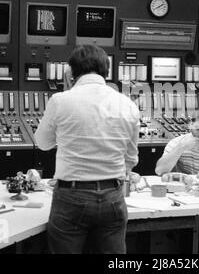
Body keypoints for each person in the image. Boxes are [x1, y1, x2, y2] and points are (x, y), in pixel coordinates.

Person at [35, 44, 140, 254]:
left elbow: (42, 143)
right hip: (113, 196)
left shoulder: (60, 101)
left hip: (71, 196)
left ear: (71, 72)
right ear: (106, 71)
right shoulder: (127, 104)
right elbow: (131, 159)